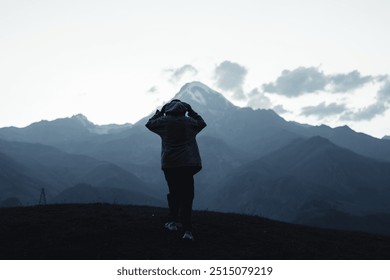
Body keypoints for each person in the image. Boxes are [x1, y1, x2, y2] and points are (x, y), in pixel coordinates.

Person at [145, 99, 206, 241]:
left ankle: (172, 222)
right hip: (188, 164)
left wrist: (159, 113)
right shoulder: (189, 122)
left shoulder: (164, 122)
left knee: (174, 193)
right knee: (187, 195)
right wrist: (191, 111)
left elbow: (149, 124)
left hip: (170, 164)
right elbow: (202, 123)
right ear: (183, 110)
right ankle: (187, 230)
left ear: (168, 111)